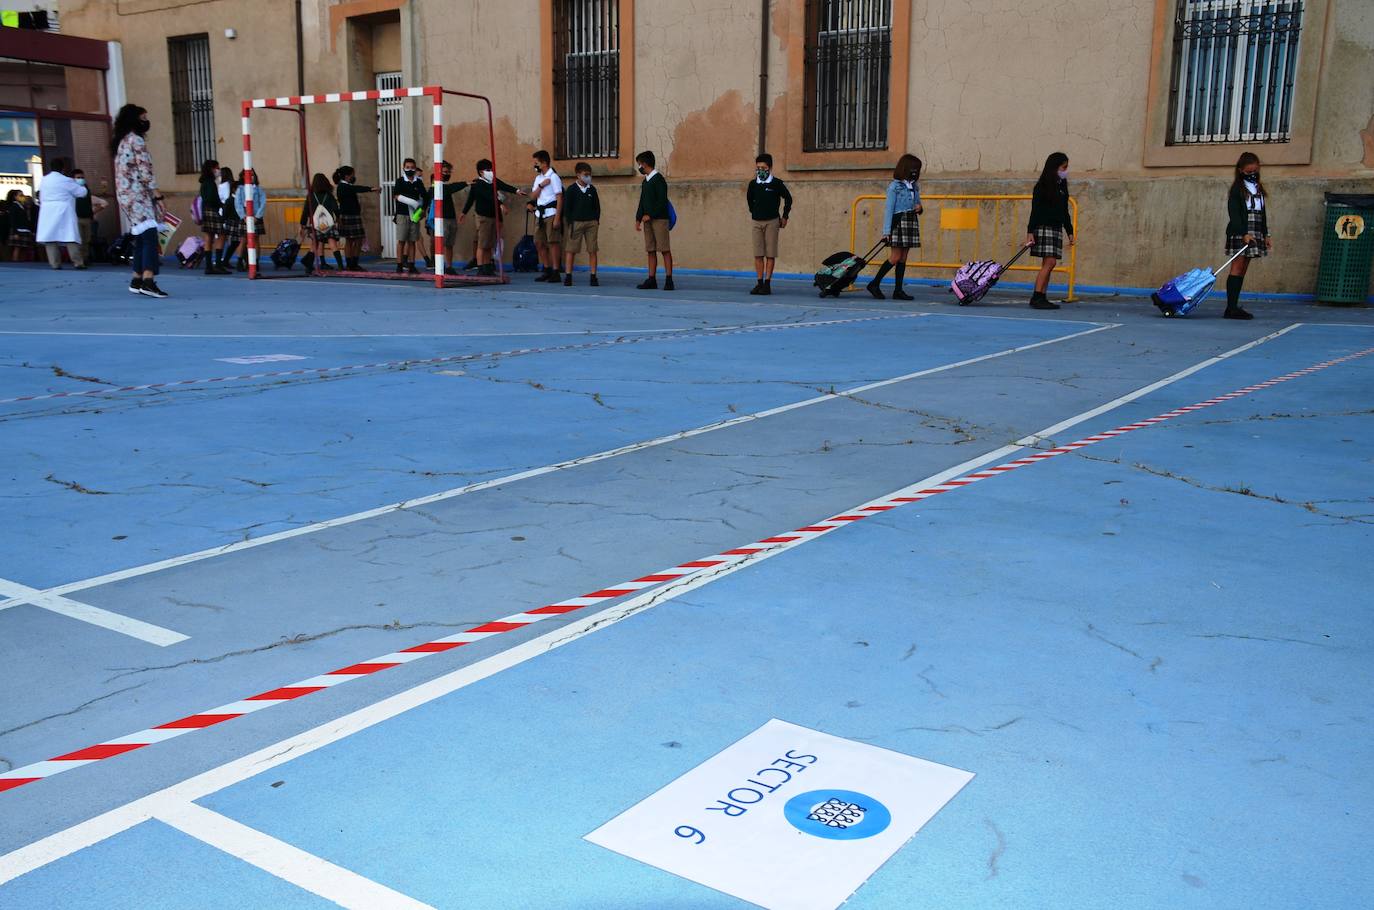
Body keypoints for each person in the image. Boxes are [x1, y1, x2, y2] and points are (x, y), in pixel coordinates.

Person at [112, 104, 169, 298]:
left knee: (142, 238)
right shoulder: (136, 141)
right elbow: (145, 171)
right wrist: (158, 195)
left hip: (125, 195)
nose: (146, 122)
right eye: (143, 118)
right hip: (138, 195)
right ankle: (148, 280)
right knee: (150, 237)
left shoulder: (121, 141)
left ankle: (137, 279)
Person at [868, 153, 923, 301]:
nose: (916, 172)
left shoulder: (914, 186)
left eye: (917, 169)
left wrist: (919, 208)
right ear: (906, 168)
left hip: (911, 220)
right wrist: (886, 231)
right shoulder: (894, 187)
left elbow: (917, 203)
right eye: (914, 168)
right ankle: (874, 284)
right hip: (899, 221)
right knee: (895, 257)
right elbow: (889, 209)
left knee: (903, 258)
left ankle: (898, 290)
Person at [1024, 152, 1075, 310]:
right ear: (1054, 167)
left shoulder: (1062, 186)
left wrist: (1070, 231)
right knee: (1050, 262)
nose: (1065, 171)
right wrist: (1030, 231)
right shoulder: (1042, 187)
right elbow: (1035, 210)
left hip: (1056, 228)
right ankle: (1037, 296)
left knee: (1049, 263)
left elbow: (1065, 211)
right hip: (1044, 227)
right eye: (1063, 167)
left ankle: (1042, 296)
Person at [1222, 152, 1269, 320]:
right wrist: (1243, 233)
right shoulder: (1237, 189)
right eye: (1249, 172)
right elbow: (1234, 213)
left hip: (1255, 229)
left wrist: (1266, 234)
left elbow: (1262, 213)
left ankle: (1234, 305)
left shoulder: (1258, 188)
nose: (1253, 174)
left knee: (1244, 268)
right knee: (1237, 266)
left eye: (1255, 171)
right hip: (1241, 231)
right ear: (1241, 171)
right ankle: (1231, 307)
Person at [459, 159, 522, 276]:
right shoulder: (478, 184)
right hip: (483, 217)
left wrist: (516, 191)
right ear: (481, 172)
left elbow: (503, 185)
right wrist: (464, 212)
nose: (491, 172)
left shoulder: (493, 181)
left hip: (493, 216)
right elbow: (477, 198)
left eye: (492, 170)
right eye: (488, 170)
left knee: (489, 244)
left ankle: (488, 266)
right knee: (482, 244)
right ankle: (481, 267)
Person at [746, 152, 792, 295]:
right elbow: (749, 200)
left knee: (770, 254)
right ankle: (759, 282)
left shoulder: (777, 184)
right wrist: (754, 212)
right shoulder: (753, 184)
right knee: (758, 254)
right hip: (756, 221)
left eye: (763, 167)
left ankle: (767, 283)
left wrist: (784, 217)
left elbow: (788, 199)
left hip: (772, 221)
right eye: (758, 167)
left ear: (770, 168)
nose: (760, 170)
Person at [35, 157, 88, 270]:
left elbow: (40, 194)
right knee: (70, 235)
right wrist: (81, 184)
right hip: (64, 209)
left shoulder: (44, 180)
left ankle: (54, 263)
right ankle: (78, 262)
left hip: (47, 210)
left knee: (50, 237)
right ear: (63, 168)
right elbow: (81, 193)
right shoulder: (66, 180)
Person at [634, 150, 673, 290]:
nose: (639, 167)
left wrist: (650, 215)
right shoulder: (645, 182)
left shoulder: (659, 180)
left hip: (660, 220)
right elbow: (642, 201)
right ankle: (652, 279)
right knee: (650, 249)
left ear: (644, 164)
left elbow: (662, 201)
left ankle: (669, 279)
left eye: (639, 164)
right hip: (647, 221)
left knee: (664, 249)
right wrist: (638, 218)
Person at [561, 161, 600, 287]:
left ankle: (593, 276)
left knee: (592, 249)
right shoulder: (571, 190)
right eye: (585, 174)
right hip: (576, 223)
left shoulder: (592, 189)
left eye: (589, 174)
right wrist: (571, 221)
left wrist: (596, 220)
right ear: (578, 175)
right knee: (571, 249)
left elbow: (597, 207)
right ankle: (568, 276)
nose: (588, 177)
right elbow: (567, 208)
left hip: (591, 223)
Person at [425, 160, 467, 275]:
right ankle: (438, 266)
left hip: (450, 217)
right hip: (440, 219)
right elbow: (449, 189)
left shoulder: (445, 185)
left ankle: (449, 266)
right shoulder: (435, 187)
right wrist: (465, 183)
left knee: (449, 244)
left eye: (449, 172)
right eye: (445, 172)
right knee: (440, 243)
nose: (447, 174)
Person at [528, 150, 563, 282]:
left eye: (536, 163)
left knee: (553, 242)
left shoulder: (554, 177)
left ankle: (555, 270)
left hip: (551, 213)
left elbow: (559, 197)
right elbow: (533, 196)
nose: (534, 165)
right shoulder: (539, 178)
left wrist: (557, 218)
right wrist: (541, 185)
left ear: (544, 163)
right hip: (540, 214)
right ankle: (546, 268)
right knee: (538, 242)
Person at [333, 166, 372, 272]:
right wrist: (370, 189)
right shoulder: (342, 186)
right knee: (350, 240)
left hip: (353, 215)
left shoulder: (347, 186)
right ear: (347, 176)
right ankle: (350, 263)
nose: (354, 176)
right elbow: (356, 188)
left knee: (357, 239)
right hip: (348, 215)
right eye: (352, 174)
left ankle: (354, 262)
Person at [299, 172, 339, 276]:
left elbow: (306, 211)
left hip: (315, 224)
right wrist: (338, 219)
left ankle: (308, 264)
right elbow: (335, 208)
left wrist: (302, 225)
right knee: (332, 242)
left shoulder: (311, 196)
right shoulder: (329, 195)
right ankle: (341, 265)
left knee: (314, 244)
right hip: (328, 224)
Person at [392, 156, 425, 274]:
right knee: (401, 240)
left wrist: (421, 211)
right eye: (407, 167)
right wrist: (412, 202)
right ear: (403, 168)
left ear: (415, 169)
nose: (410, 169)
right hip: (402, 214)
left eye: (412, 167)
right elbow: (396, 195)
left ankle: (412, 265)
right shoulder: (400, 181)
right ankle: (399, 265)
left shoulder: (419, 182)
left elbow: (424, 197)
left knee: (412, 241)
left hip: (415, 215)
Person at [197, 158, 228, 275]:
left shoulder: (204, 181)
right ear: (212, 169)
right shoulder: (210, 183)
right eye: (217, 168)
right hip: (212, 210)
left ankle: (209, 266)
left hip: (205, 210)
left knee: (208, 238)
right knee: (222, 235)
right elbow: (211, 198)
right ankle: (218, 265)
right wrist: (220, 204)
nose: (218, 170)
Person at [70, 169, 106, 264]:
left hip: (87, 218)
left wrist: (91, 213)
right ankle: (79, 260)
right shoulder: (71, 190)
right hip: (76, 218)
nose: (81, 179)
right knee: (79, 240)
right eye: (78, 178)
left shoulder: (86, 189)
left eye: (82, 177)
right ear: (73, 179)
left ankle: (85, 258)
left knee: (87, 240)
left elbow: (89, 203)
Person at [234, 168, 266, 272]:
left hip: (256, 217)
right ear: (243, 176)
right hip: (245, 218)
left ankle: (256, 262)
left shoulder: (258, 189)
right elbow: (237, 203)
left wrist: (258, 216)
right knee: (243, 240)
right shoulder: (240, 189)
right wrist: (243, 216)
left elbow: (263, 202)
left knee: (256, 240)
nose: (251, 177)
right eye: (249, 175)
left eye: (253, 175)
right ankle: (239, 261)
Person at [215, 165, 245, 273]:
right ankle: (224, 261)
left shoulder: (224, 186)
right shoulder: (226, 185)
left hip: (225, 214)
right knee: (232, 239)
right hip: (227, 214)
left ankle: (224, 261)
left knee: (233, 239)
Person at [4, 190, 36, 261]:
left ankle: (22, 262)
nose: (22, 197)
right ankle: (15, 262)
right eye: (20, 195)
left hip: (25, 229)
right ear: (15, 197)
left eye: (23, 195)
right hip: (18, 229)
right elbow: (12, 220)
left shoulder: (23, 206)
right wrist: (15, 232)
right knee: (17, 247)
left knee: (24, 248)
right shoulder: (14, 206)